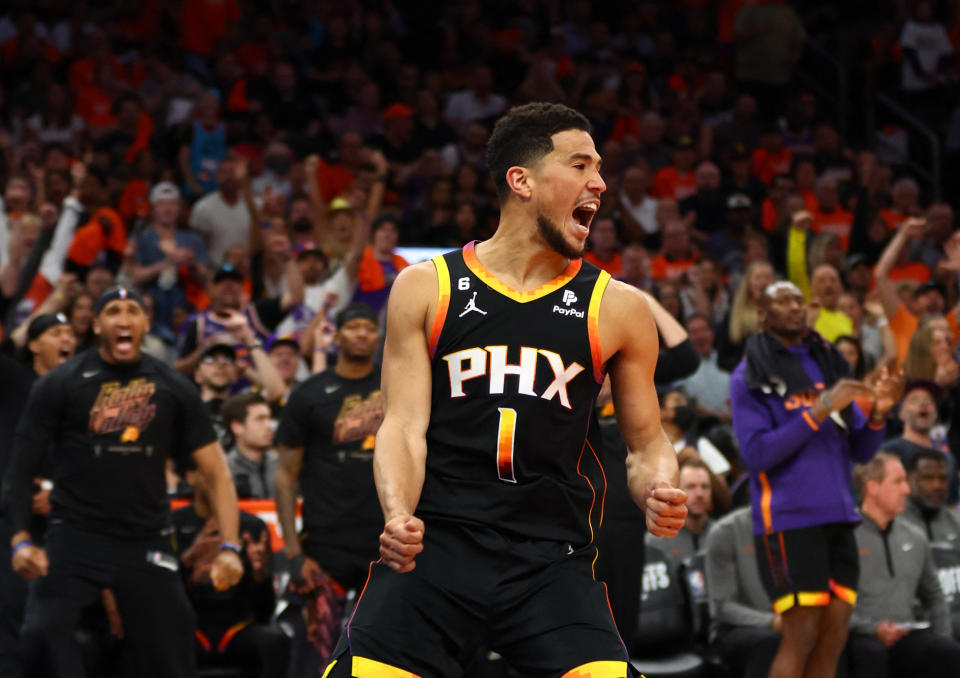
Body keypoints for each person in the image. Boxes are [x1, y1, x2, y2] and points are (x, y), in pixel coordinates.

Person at [321, 102, 688, 677]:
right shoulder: (426, 287)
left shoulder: (617, 306)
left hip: (551, 557)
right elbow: (403, 426)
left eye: (600, 168)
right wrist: (397, 515)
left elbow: (645, 445)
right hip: (438, 545)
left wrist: (659, 486)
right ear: (522, 181)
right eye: (581, 164)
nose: (600, 182)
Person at [2, 286, 243, 678]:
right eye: (113, 311)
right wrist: (21, 538)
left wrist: (231, 547)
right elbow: (19, 469)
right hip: (74, 536)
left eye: (134, 310)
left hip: (144, 539)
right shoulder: (61, 383)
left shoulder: (174, 386)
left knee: (173, 646)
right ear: (97, 324)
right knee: (39, 635)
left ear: (146, 323)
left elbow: (217, 474)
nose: (124, 319)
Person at [729, 280, 903, 678]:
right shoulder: (748, 375)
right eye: (782, 300)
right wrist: (820, 409)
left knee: (834, 637)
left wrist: (878, 414)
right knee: (800, 636)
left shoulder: (826, 364)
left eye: (798, 300)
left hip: (839, 516)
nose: (794, 307)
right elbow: (757, 454)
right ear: (763, 314)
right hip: (789, 521)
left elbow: (861, 451)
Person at [274, 303, 385, 668]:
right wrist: (293, 553)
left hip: (384, 542)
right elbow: (286, 477)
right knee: (315, 651)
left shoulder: (396, 388)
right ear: (336, 337)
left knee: (382, 650)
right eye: (353, 327)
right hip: (325, 545)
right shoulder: (309, 394)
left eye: (369, 328)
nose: (362, 335)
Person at [847, 453, 960, 678]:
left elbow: (934, 597)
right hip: (858, 635)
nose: (906, 490)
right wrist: (872, 629)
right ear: (872, 488)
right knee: (871, 653)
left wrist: (943, 637)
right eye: (898, 482)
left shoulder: (915, 537)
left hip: (905, 632)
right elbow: (830, 604)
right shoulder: (843, 538)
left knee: (947, 652)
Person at [172, 458, 288, 678]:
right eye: (211, 472)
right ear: (190, 476)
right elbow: (161, 599)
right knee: (159, 640)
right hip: (189, 626)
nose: (219, 481)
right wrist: (188, 562)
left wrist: (260, 574)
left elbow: (265, 611)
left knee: (274, 641)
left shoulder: (252, 527)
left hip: (237, 627)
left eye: (224, 475)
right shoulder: (172, 524)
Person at [705, 506, 780, 678]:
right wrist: (773, 621)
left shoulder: (796, 530)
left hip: (783, 621)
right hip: (733, 628)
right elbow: (723, 607)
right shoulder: (726, 531)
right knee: (768, 641)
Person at [646, 457, 714, 563]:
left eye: (705, 487)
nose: (700, 494)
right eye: (691, 487)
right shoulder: (657, 540)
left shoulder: (723, 535)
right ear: (676, 491)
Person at [221, 393, 278, 499]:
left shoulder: (282, 466)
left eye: (269, 418)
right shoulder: (224, 471)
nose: (269, 426)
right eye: (260, 419)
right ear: (237, 427)